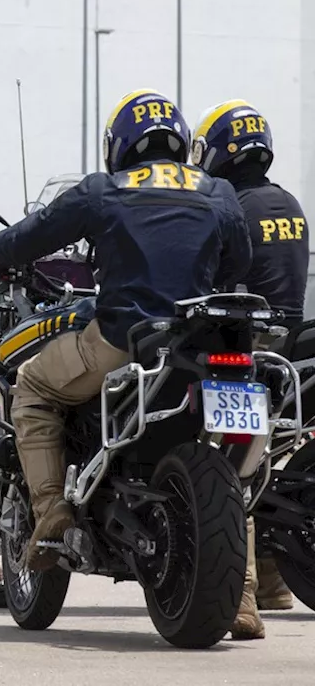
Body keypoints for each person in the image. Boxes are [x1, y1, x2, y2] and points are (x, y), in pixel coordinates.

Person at [0, 89, 252, 572]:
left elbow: (31, 235)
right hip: (199, 346)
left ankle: (51, 507)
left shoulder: (105, 189)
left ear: (121, 142)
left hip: (123, 342)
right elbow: (237, 261)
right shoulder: (217, 191)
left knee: (32, 385)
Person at [192, 99, 309, 640]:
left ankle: (239, 594)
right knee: (260, 457)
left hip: (237, 345)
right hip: (284, 350)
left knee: (221, 460)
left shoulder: (227, 206)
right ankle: (276, 585)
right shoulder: (289, 203)